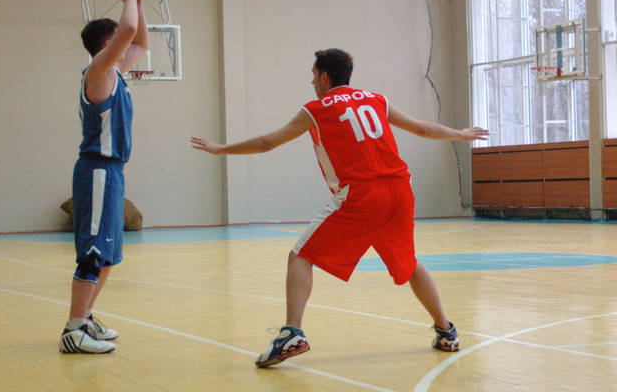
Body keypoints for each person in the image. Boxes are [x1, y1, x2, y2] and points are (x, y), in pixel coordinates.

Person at [191, 48, 488, 367]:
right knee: (409, 264)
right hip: (400, 192)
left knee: (300, 257)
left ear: (324, 77)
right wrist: (460, 134)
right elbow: (423, 129)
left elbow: (267, 143)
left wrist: (222, 149)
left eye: (313, 77)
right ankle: (446, 331)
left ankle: (292, 333)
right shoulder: (376, 99)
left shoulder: (315, 109)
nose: (311, 83)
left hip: (362, 195)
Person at [59, 0, 148, 354]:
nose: (127, 47)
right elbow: (129, 32)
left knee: (109, 254)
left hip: (112, 171)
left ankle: (87, 317)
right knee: (94, 254)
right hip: (96, 169)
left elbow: (139, 41)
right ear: (109, 43)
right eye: (119, 41)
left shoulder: (115, 72)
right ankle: (73, 330)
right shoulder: (97, 71)